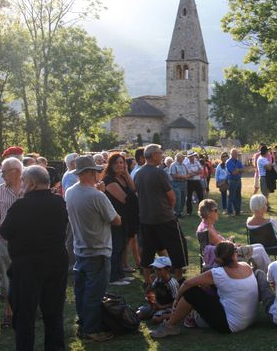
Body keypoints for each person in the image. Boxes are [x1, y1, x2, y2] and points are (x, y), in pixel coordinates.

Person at [0, 166, 69, 351]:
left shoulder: (21, 205)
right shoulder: (59, 202)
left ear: (31, 183)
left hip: (28, 266)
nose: (21, 184)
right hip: (56, 263)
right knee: (54, 314)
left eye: (23, 181)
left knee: (24, 317)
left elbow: (4, 231)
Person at [65, 155, 121, 343]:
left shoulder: (70, 192)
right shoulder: (97, 196)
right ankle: (91, 330)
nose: (99, 174)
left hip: (79, 249)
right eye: (96, 171)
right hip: (97, 250)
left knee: (81, 291)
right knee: (94, 294)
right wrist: (102, 194)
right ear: (90, 173)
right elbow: (116, 220)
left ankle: (84, 324)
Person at [150, 241, 258, 338]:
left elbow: (187, 283)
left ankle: (169, 326)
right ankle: (188, 316)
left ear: (217, 258)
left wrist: (176, 299)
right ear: (236, 253)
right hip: (250, 319)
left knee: (191, 292)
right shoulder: (246, 266)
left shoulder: (218, 273)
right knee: (203, 287)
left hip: (231, 325)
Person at [135, 144, 188, 285]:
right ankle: (179, 279)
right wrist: (167, 210)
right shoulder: (159, 173)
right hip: (164, 218)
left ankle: (147, 281)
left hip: (146, 219)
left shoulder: (138, 173)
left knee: (147, 250)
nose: (162, 155)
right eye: (160, 152)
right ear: (153, 155)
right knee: (177, 247)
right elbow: (171, 197)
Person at [0, 157, 22, 326]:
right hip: (5, 240)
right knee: (7, 275)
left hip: (27, 241)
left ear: (16, 171)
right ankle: (9, 312)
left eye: (4, 172)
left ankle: (29, 306)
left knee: (27, 273)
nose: (1, 175)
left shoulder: (28, 188)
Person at [197, 199, 271, 272]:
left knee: (260, 246)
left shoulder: (207, 226)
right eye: (215, 210)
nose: (218, 212)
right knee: (259, 251)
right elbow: (223, 247)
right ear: (208, 213)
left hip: (227, 252)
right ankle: (268, 275)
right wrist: (232, 244)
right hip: (228, 255)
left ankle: (262, 273)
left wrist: (228, 241)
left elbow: (220, 244)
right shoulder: (207, 230)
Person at [101, 153, 138, 286]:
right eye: (116, 163)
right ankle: (113, 277)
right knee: (116, 246)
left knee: (122, 245)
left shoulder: (122, 178)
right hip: (114, 217)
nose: (119, 165)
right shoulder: (108, 180)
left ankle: (120, 274)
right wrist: (135, 197)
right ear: (110, 165)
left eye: (122, 163)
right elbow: (125, 199)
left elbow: (134, 188)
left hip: (125, 217)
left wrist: (127, 173)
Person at [137, 256, 180, 324]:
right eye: (155, 269)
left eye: (159, 269)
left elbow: (177, 302)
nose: (156, 271)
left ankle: (173, 316)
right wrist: (153, 302)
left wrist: (161, 307)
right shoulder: (158, 279)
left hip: (168, 307)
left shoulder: (172, 284)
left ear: (167, 269)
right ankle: (156, 313)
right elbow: (148, 292)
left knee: (155, 319)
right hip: (157, 305)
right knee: (138, 314)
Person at [169, 153, 189, 219]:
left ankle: (180, 212)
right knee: (178, 198)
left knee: (183, 199)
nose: (183, 159)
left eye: (183, 158)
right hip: (176, 183)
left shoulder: (183, 165)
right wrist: (183, 176)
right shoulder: (173, 165)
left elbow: (187, 173)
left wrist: (186, 176)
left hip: (184, 183)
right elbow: (173, 175)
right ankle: (176, 213)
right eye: (181, 158)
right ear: (177, 158)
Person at [225, 148, 245, 216]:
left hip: (238, 180)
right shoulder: (228, 162)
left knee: (238, 196)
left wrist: (238, 170)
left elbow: (243, 170)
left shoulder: (238, 161)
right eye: (235, 153)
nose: (237, 155)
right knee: (231, 196)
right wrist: (239, 170)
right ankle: (230, 211)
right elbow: (233, 172)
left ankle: (238, 211)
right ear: (231, 154)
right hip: (232, 181)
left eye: (237, 153)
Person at [185, 151, 204, 215]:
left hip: (197, 181)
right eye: (190, 157)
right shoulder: (187, 164)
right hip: (190, 181)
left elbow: (201, 170)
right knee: (189, 197)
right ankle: (189, 211)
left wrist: (194, 173)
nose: (192, 157)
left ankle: (201, 211)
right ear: (188, 157)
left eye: (192, 156)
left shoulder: (197, 162)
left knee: (200, 196)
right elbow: (189, 174)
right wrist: (196, 172)